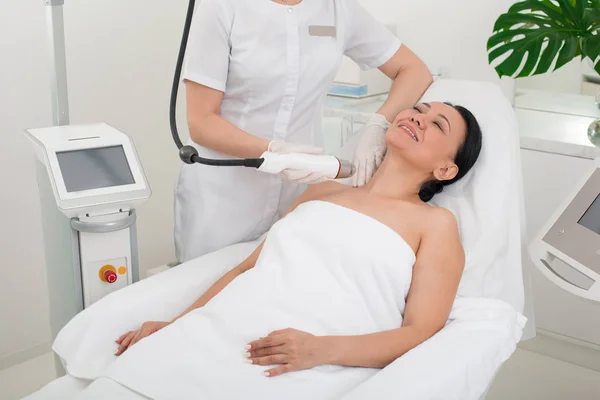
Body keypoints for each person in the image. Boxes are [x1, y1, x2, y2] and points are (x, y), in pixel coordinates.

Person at [108, 102, 482, 398]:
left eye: (437, 125)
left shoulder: (434, 225)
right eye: (418, 110)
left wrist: (321, 350)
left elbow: (420, 332)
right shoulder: (321, 191)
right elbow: (246, 270)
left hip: (303, 357)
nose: (419, 118)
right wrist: (179, 323)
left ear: (446, 170)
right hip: (223, 327)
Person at [174, 0, 433, 262]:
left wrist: (378, 124)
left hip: (298, 194)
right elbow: (202, 123)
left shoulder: (337, 8)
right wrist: (274, 152)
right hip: (223, 197)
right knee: (208, 290)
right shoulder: (222, 7)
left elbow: (414, 71)